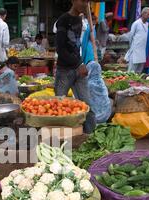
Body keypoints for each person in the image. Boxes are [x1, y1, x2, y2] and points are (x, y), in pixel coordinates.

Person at [55, 0, 94, 134]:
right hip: (64, 71)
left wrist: (80, 63)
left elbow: (76, 47)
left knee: (88, 106)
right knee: (59, 107)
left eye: (87, 1)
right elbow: (60, 49)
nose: (86, 4)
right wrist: (79, 64)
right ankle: (59, 139)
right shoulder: (63, 21)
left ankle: (90, 137)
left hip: (78, 70)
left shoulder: (79, 20)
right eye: (83, 1)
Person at [126, 7, 149, 74]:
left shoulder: (146, 24)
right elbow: (131, 36)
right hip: (135, 50)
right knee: (131, 71)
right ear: (143, 14)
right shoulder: (136, 23)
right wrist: (132, 46)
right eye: (148, 14)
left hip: (142, 50)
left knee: (139, 71)